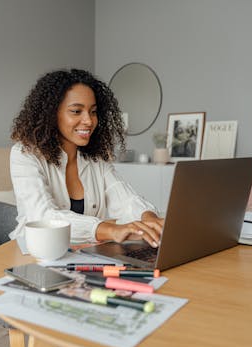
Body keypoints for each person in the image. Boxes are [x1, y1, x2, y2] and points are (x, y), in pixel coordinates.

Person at [9, 68, 163, 247]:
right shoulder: (25, 154)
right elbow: (44, 217)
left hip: (83, 255)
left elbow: (125, 199)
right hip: (35, 253)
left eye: (93, 111)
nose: (89, 121)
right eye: (76, 111)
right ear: (52, 114)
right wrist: (111, 230)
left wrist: (149, 218)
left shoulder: (95, 159)